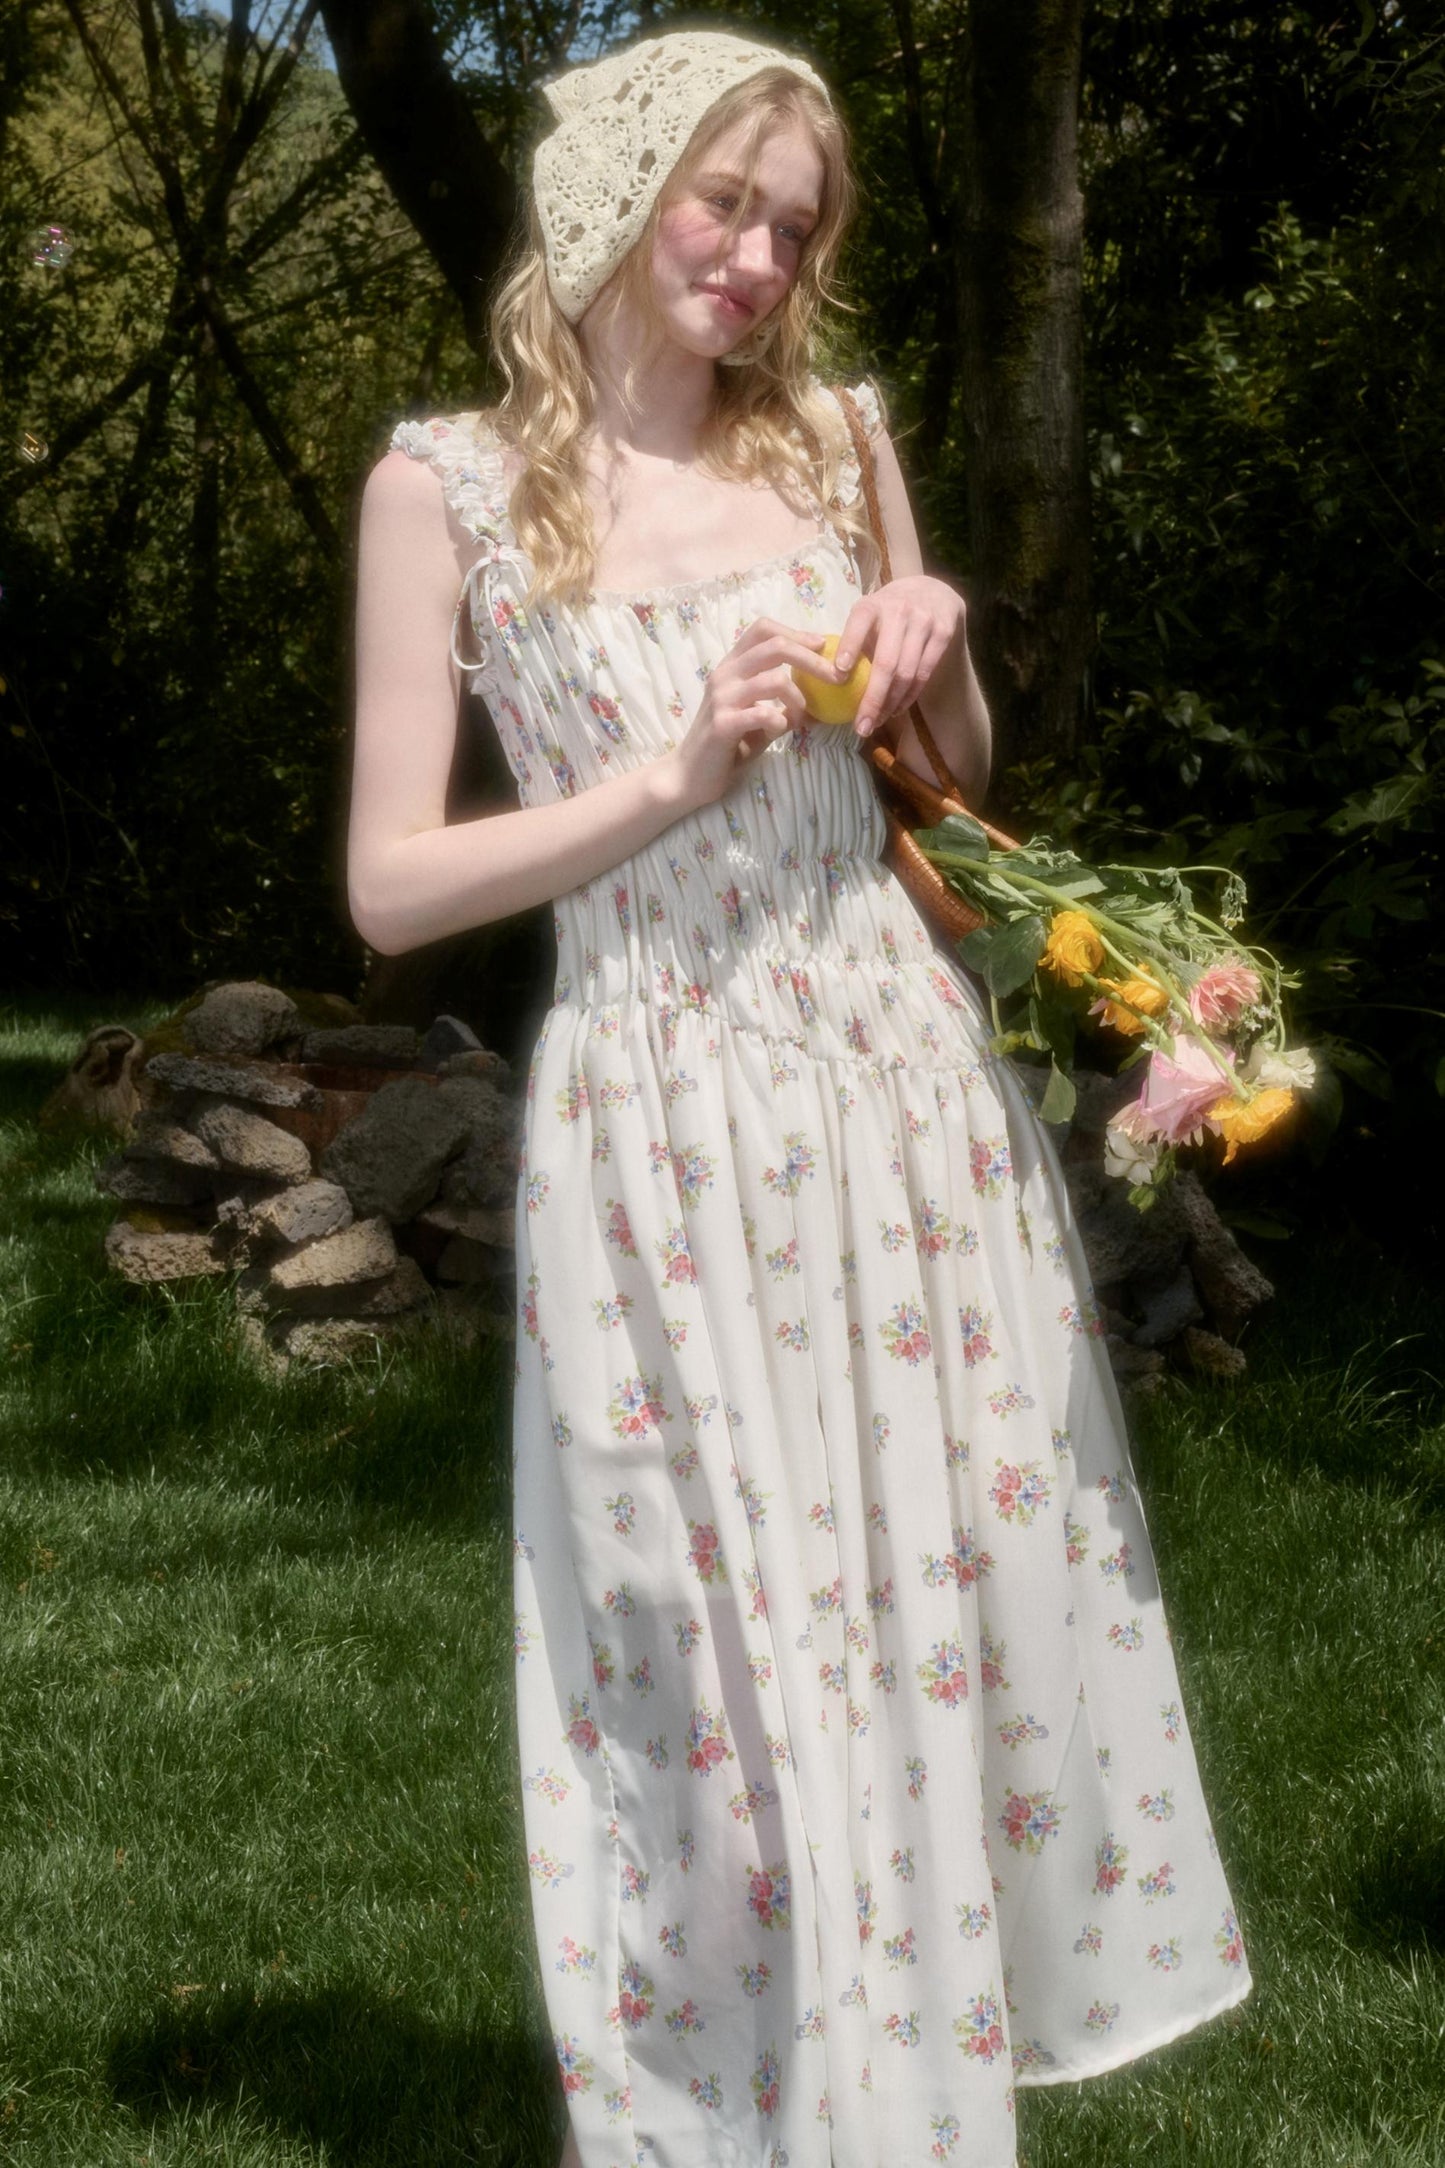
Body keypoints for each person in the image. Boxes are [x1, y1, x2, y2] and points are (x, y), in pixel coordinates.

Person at [347, 29, 1252, 2167]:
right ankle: (726, 2099)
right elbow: (392, 890)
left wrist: (932, 640)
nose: (755, 259)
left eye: (793, 224)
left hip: (892, 1093)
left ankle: (905, 2087)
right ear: (619, 189)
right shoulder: (441, 487)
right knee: (689, 1624)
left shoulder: (839, 441)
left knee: (922, 1591)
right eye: (721, 201)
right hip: (656, 1109)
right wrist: (669, 777)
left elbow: (952, 774)